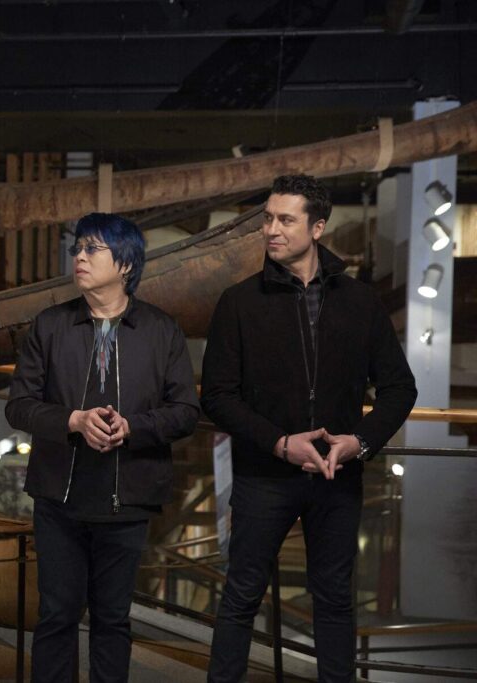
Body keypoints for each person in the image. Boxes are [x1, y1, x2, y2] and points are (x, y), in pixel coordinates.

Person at [201, 174, 417, 682]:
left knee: (335, 602)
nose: (270, 229)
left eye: (284, 219)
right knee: (240, 598)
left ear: (317, 227)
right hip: (262, 477)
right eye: (268, 218)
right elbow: (217, 396)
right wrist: (280, 443)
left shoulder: (360, 302)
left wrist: (359, 443)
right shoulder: (238, 302)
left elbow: (399, 389)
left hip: (335, 478)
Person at [5, 212, 200, 682]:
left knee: (113, 621)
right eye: (78, 249)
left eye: (92, 249)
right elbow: (19, 406)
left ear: (126, 263)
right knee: (55, 618)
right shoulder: (50, 325)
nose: (80, 258)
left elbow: (186, 411)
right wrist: (72, 420)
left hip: (127, 500)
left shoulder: (160, 329)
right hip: (60, 499)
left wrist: (133, 427)